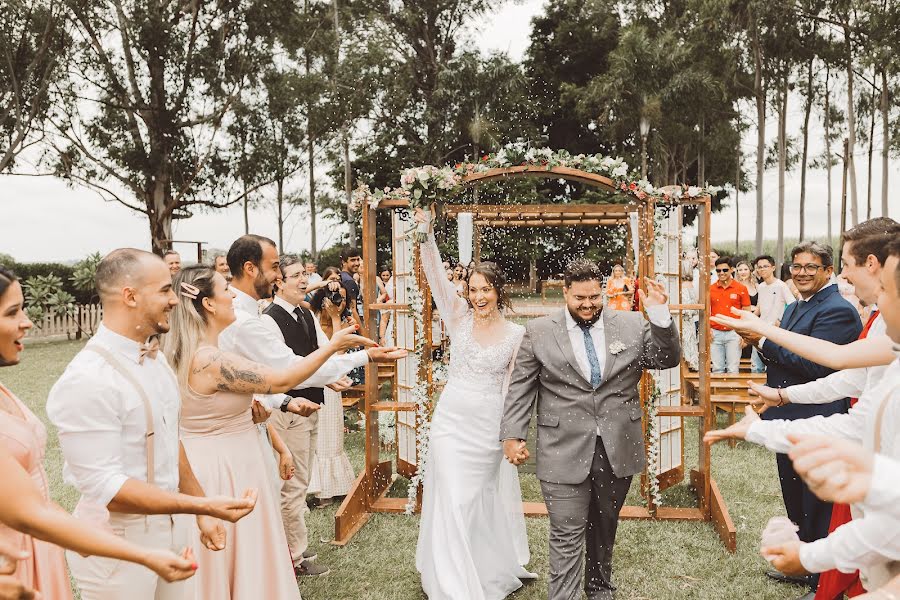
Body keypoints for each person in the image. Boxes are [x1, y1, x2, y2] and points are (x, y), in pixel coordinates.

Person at [46, 249, 258, 600]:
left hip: (173, 530)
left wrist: (200, 511)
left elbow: (169, 441)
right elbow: (107, 488)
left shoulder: (156, 362)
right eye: (164, 290)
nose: (175, 299)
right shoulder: (87, 379)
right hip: (115, 545)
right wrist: (201, 507)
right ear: (129, 296)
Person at [715, 219, 899, 599]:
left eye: (888, 293)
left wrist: (762, 330)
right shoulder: (888, 370)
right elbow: (853, 400)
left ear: (872, 266)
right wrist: (768, 416)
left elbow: (835, 359)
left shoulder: (854, 318)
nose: (877, 305)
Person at [162, 265, 367, 598]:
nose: (232, 295)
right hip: (222, 470)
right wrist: (334, 348)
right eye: (225, 289)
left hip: (225, 459)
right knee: (237, 556)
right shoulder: (210, 360)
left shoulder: (189, 354)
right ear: (209, 304)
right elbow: (281, 378)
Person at [0, 265, 197, 600]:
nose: (27, 321)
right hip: (15, 550)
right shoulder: (87, 376)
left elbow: (37, 496)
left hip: (41, 547)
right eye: (13, 311)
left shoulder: (5, 391)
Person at [501, 260, 681, 600]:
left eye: (595, 297)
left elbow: (665, 358)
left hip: (618, 445)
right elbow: (520, 388)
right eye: (580, 298)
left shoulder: (630, 324)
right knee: (566, 531)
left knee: (604, 526)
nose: (588, 305)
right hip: (561, 446)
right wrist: (513, 434)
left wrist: (659, 315)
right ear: (564, 292)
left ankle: (599, 588)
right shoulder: (538, 330)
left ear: (604, 293)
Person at [412, 207, 537, 600]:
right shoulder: (457, 318)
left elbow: (514, 390)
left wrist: (510, 435)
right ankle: (451, 583)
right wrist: (426, 233)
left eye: (486, 289)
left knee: (474, 499)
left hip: (487, 427)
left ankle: (483, 567)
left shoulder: (517, 335)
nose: (478, 296)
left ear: (499, 291)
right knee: (450, 495)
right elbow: (433, 274)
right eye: (474, 289)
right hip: (450, 421)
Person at [727, 241, 864, 592]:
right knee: (794, 496)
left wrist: (763, 339)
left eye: (811, 267)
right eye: (797, 266)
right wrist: (759, 342)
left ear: (828, 271)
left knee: (817, 501)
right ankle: (802, 564)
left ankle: (821, 579)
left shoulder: (838, 310)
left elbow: (816, 365)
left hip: (817, 414)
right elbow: (780, 353)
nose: (801, 273)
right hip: (787, 411)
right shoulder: (794, 307)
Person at [307, 267, 365, 504]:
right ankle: (319, 488)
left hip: (333, 386)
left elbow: (337, 356)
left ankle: (334, 487)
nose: (337, 302)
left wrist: (337, 318)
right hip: (313, 383)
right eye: (334, 297)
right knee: (317, 437)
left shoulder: (341, 323)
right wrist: (321, 286)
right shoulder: (308, 319)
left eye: (341, 298)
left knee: (331, 436)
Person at [753, 254, 796, 373]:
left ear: (773, 267)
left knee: (771, 366)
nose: (762, 269)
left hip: (774, 332)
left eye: (765, 266)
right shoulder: (761, 287)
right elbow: (759, 307)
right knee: (756, 366)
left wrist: (781, 320)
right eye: (759, 267)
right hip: (759, 330)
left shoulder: (781, 285)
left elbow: (792, 304)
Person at [709, 257, 750, 374]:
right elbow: (705, 311)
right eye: (718, 271)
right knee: (717, 369)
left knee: (733, 369)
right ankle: (716, 393)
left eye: (725, 270)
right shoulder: (710, 289)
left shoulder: (741, 288)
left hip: (734, 333)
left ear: (732, 270)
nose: (721, 273)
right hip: (715, 333)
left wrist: (744, 335)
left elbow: (746, 313)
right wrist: (708, 330)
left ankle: (733, 393)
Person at [679, 256, 699, 370]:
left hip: (685, 320)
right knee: (688, 343)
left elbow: (689, 306)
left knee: (685, 343)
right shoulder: (689, 284)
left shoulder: (685, 285)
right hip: (689, 320)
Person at [339, 246, 363, 327]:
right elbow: (353, 310)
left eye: (358, 259)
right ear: (344, 262)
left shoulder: (341, 276)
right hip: (349, 324)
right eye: (352, 260)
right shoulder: (349, 281)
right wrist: (363, 334)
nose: (357, 263)